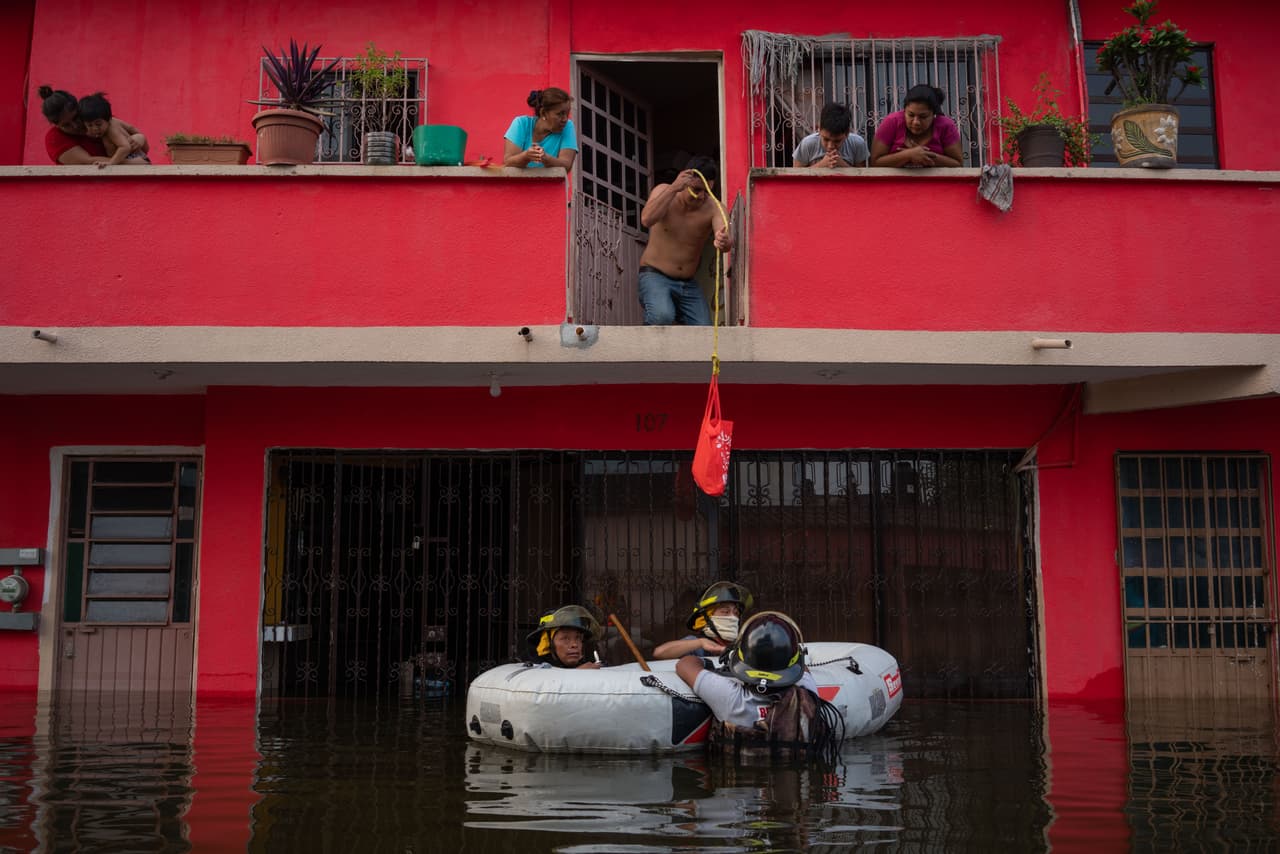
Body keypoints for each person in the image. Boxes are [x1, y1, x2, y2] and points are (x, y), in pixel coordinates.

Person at [676, 611, 842, 758]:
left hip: (738, 783)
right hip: (792, 785)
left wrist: (710, 663)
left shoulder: (731, 699)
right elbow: (803, 670)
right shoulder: (806, 694)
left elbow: (684, 664)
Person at [637, 155, 733, 326]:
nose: (701, 196)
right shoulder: (664, 191)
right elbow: (646, 219)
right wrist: (673, 188)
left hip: (688, 283)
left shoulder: (714, 207)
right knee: (662, 316)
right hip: (654, 275)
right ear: (684, 180)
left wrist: (723, 240)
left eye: (707, 191)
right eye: (696, 190)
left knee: (705, 330)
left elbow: (726, 239)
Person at [37, 85, 147, 165]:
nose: (75, 126)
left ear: (79, 109)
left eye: (76, 118)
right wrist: (134, 163)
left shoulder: (98, 121)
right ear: (57, 126)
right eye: (66, 125)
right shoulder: (55, 138)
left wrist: (140, 139)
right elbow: (88, 161)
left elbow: (143, 148)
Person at [869, 84, 964, 168]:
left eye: (923, 116)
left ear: (934, 114)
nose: (916, 122)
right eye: (910, 115)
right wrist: (908, 155)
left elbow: (958, 164)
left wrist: (924, 155)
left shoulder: (946, 126)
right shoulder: (892, 122)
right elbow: (875, 162)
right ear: (904, 110)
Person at [654, 581, 754, 660]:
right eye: (725, 612)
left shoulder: (741, 645)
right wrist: (700, 643)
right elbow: (659, 653)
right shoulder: (697, 645)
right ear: (706, 618)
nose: (733, 617)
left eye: (736, 613)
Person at [503, 87, 578, 171]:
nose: (565, 119)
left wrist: (546, 158)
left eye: (567, 114)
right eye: (560, 114)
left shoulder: (568, 126)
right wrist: (526, 156)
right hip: (518, 184)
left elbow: (567, 165)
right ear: (543, 113)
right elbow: (508, 162)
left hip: (550, 184)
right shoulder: (521, 124)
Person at [77, 92, 151, 165]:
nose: (95, 128)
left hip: (135, 159)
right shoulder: (114, 121)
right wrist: (140, 136)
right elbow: (132, 128)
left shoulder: (111, 130)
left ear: (108, 119)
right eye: (89, 125)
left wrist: (111, 162)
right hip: (139, 157)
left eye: (98, 124)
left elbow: (125, 147)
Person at [525, 605, 603, 669]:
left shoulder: (588, 667)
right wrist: (578, 673)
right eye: (565, 638)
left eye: (578, 638)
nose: (574, 645)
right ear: (548, 643)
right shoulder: (534, 669)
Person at [792, 103, 869, 168]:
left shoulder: (857, 144)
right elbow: (796, 176)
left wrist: (843, 165)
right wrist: (821, 165)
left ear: (847, 133)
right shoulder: (807, 144)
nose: (830, 146)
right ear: (819, 128)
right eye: (826, 139)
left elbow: (862, 178)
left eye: (837, 141)